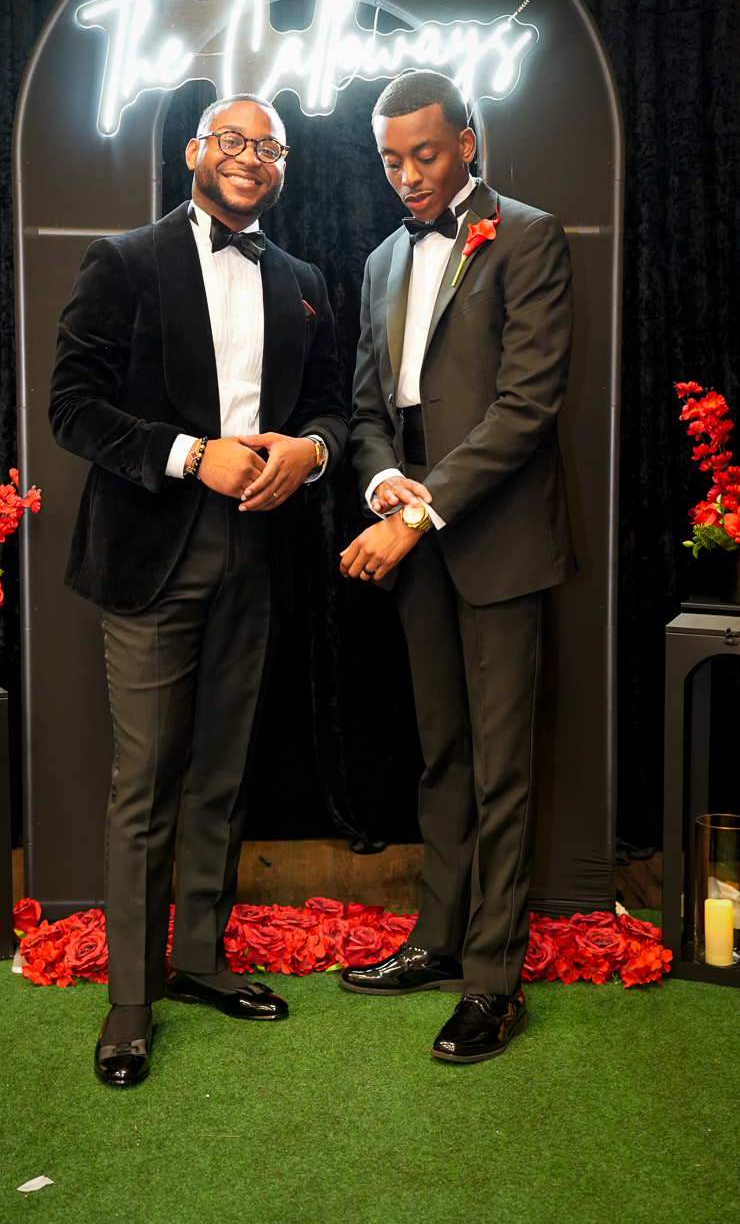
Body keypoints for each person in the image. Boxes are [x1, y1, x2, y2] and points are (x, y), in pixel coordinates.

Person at [49, 94, 347, 1087]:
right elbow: (71, 407)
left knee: (224, 769)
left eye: (270, 146)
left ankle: (200, 958)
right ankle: (132, 1002)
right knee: (146, 780)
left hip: (259, 551)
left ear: (283, 167)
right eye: (232, 139)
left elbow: (330, 408)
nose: (251, 156)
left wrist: (310, 452)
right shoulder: (124, 261)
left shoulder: (303, 280)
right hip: (151, 553)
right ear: (193, 152)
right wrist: (188, 453)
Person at [339, 70, 574, 1063]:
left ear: (467, 143)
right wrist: (381, 479)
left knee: (503, 766)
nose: (408, 176)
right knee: (442, 752)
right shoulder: (380, 260)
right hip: (418, 531)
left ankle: (492, 983)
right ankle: (437, 940)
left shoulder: (530, 235)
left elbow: (526, 405)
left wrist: (420, 511)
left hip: (496, 537)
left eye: (425, 154)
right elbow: (366, 409)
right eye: (391, 160)